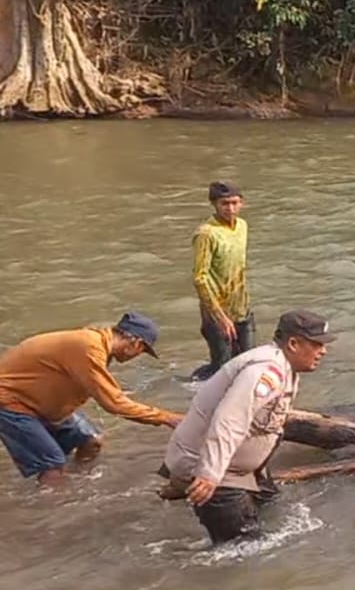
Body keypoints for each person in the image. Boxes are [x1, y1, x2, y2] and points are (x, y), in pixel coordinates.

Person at [163, 311, 335, 544]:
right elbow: (229, 420)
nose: (323, 351)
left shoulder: (283, 366)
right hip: (219, 474)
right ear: (293, 343)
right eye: (317, 344)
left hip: (242, 469)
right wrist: (209, 474)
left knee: (273, 510)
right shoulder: (266, 371)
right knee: (246, 551)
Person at [0, 312, 181, 485]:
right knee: (52, 464)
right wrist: (167, 418)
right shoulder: (89, 348)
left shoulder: (96, 345)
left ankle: (78, 484)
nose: (136, 356)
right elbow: (114, 403)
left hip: (38, 402)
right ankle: (52, 506)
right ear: (135, 343)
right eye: (142, 351)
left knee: (91, 441)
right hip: (12, 402)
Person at [190, 181, 253, 381]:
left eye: (235, 203)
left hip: (241, 307)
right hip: (217, 311)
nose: (231, 209)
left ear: (242, 203)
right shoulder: (206, 234)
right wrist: (220, 316)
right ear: (215, 204)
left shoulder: (242, 226)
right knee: (223, 371)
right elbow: (200, 278)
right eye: (225, 204)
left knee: (247, 363)